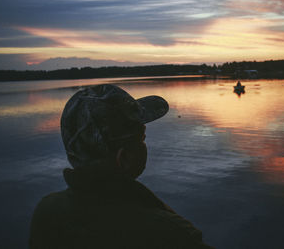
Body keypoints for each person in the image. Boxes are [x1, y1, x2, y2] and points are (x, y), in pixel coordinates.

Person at [29, 84, 212, 249]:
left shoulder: (46, 212)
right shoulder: (170, 234)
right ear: (123, 158)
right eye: (142, 139)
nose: (145, 144)